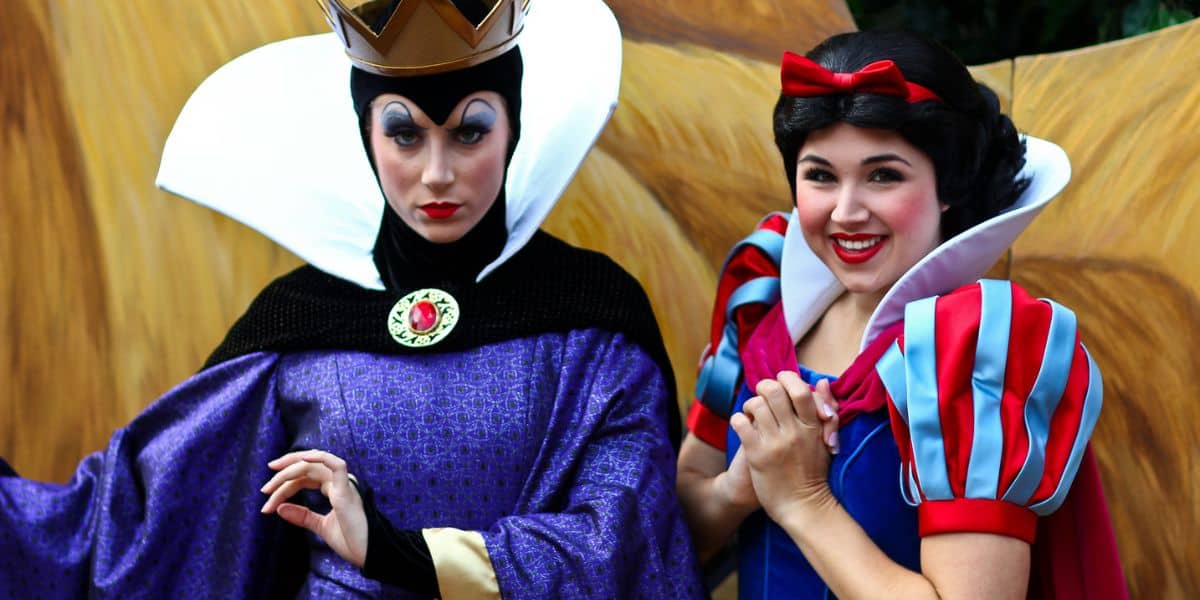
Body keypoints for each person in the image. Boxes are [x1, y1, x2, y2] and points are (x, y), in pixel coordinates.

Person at [0, 1, 702, 597]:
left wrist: (403, 556)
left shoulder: (593, 320)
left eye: (469, 131)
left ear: (513, 126)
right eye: (405, 134)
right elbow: (136, 521)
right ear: (368, 135)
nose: (436, 173)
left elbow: (624, 540)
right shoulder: (298, 323)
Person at [676, 31, 1126, 599]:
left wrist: (803, 500)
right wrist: (737, 490)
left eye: (883, 175)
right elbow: (680, 516)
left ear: (948, 186)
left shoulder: (977, 349)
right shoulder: (761, 298)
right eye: (820, 175)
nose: (846, 212)